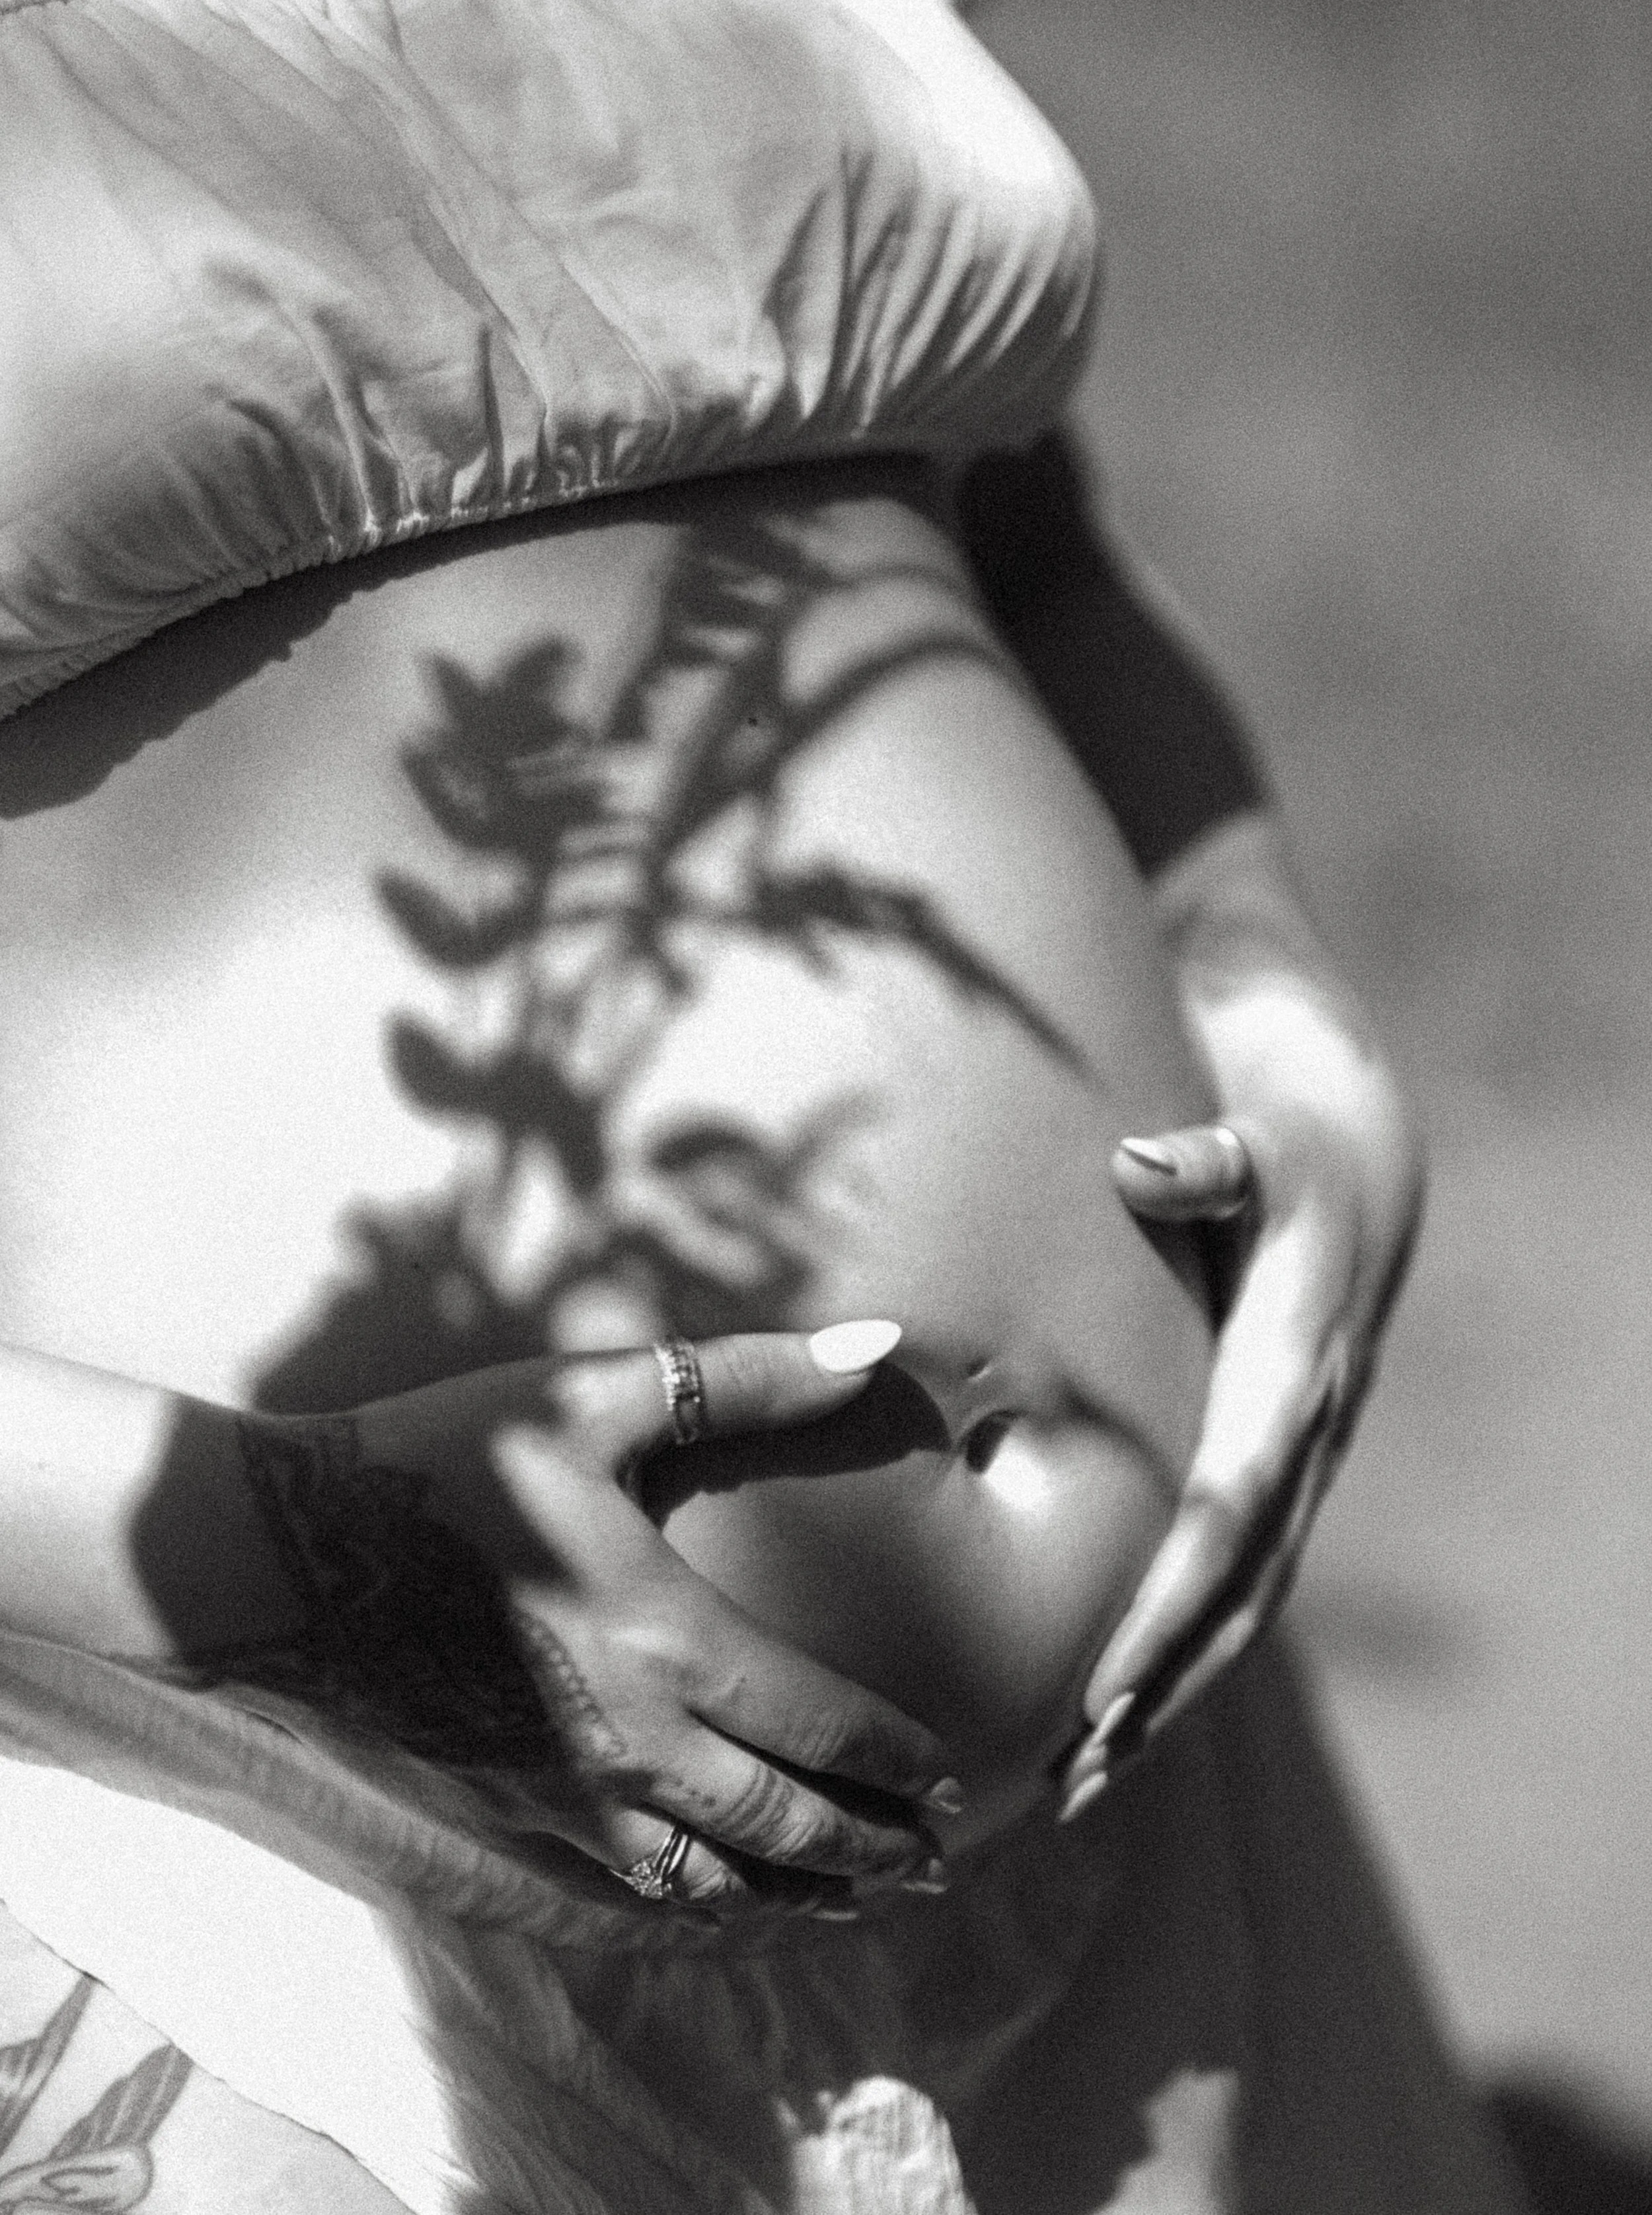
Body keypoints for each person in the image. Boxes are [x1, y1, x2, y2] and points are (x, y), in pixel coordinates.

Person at [0, 0, 1515, 2207]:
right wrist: (280, 1565)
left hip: (1137, 1813)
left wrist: (1259, 975)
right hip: (231, 1857)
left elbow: (1027, 543)